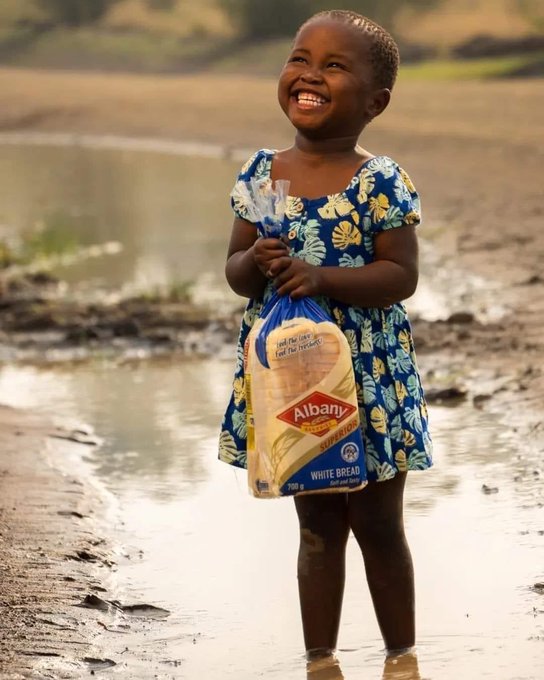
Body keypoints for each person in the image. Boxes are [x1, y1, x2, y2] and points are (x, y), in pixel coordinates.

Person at [218, 8, 433, 669]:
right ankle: (321, 660)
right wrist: (257, 264)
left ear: (376, 101)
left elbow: (400, 276)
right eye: (300, 59)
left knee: (377, 526)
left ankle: (401, 656)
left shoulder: (379, 180)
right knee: (315, 530)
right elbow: (234, 273)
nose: (310, 75)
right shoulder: (263, 172)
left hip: (366, 379)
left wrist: (324, 277)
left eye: (334, 67)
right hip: (292, 382)